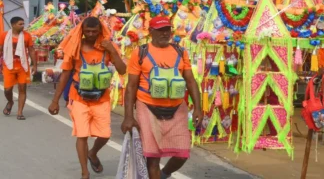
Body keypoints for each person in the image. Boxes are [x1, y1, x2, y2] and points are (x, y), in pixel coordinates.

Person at [121, 16, 203, 179]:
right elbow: (131, 86)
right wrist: (128, 116)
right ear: (151, 32)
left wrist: (198, 109)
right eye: (160, 30)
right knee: (153, 158)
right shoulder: (140, 52)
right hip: (147, 107)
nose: (165, 33)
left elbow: (191, 81)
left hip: (177, 108)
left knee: (182, 154)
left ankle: (164, 174)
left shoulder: (181, 52)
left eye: (167, 29)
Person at [48, 17, 126, 179]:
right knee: (81, 135)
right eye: (87, 31)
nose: (90, 34)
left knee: (105, 135)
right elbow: (66, 74)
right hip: (78, 97)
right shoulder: (76, 47)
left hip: (102, 97)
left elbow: (122, 70)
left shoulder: (107, 46)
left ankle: (93, 153)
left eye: (94, 31)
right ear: (82, 31)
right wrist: (55, 100)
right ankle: (85, 172)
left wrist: (112, 50)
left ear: (99, 31)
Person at [0, 16, 37, 120]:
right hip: (8, 65)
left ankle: (20, 112)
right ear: (13, 25)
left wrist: (34, 65)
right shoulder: (4, 35)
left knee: (22, 88)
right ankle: (10, 101)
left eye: (23, 24)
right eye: (20, 24)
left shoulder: (27, 36)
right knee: (7, 89)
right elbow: (0, 49)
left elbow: (31, 50)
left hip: (23, 66)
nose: (22, 26)